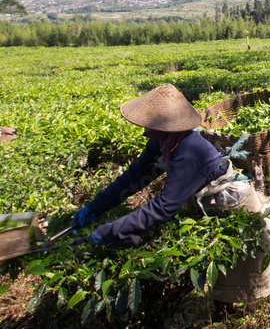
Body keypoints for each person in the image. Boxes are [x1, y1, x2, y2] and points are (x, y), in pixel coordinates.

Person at [71, 83, 229, 247]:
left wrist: (111, 230)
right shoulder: (163, 143)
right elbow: (135, 177)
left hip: (224, 205)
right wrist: (96, 207)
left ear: (164, 125)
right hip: (201, 200)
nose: (144, 129)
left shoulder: (188, 152)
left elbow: (164, 206)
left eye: (148, 122)